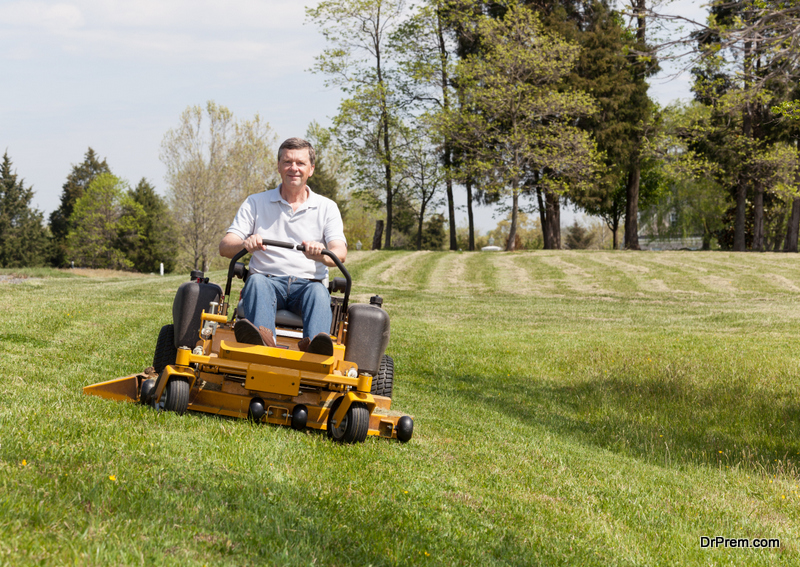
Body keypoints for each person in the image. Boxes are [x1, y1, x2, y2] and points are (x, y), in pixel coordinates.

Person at [218, 138, 347, 355]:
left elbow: (340, 253)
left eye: (300, 163)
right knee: (257, 282)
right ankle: (263, 343)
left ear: (311, 169)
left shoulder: (327, 207)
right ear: (279, 166)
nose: (293, 168)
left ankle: (315, 349)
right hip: (267, 282)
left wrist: (321, 254)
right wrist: (245, 244)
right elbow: (225, 246)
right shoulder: (255, 202)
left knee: (318, 292)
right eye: (287, 162)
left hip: (308, 285)